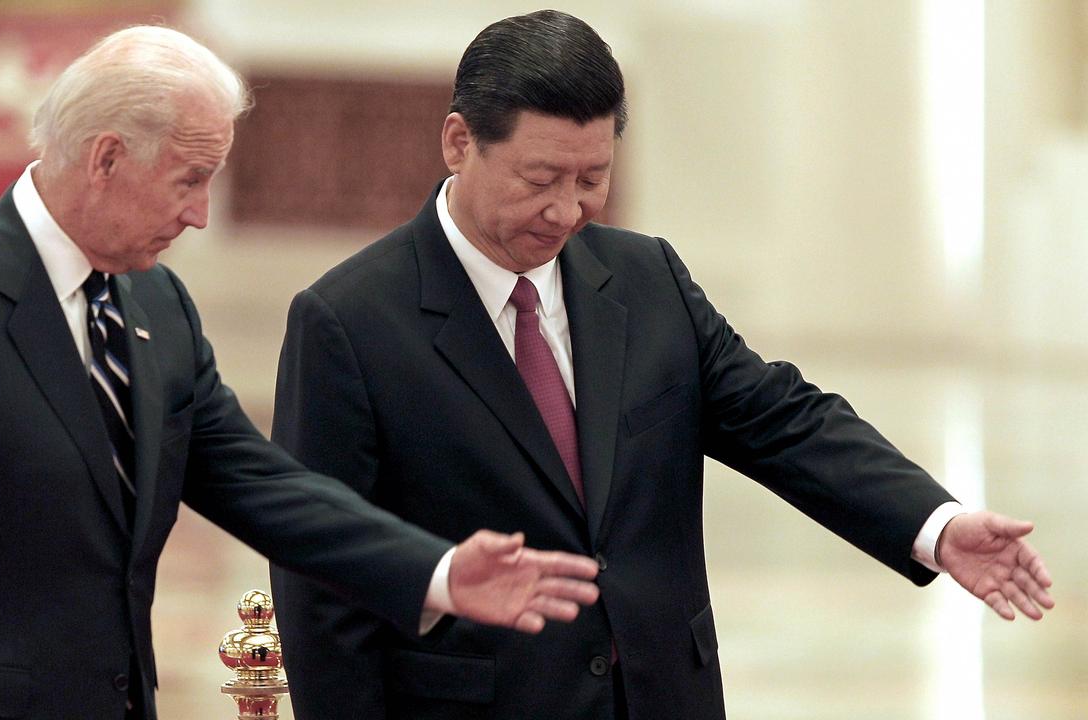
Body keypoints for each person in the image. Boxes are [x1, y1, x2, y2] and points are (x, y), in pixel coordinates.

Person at [268, 10, 1055, 720]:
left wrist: (937, 525)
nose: (567, 211)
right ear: (458, 142)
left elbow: (782, 419)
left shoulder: (647, 281)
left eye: (593, 179)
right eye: (540, 180)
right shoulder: (349, 322)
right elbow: (323, 590)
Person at [0, 26, 606, 720]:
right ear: (107, 159)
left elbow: (262, 485)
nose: (199, 213)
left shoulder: (157, 303)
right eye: (190, 179)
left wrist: (435, 571)